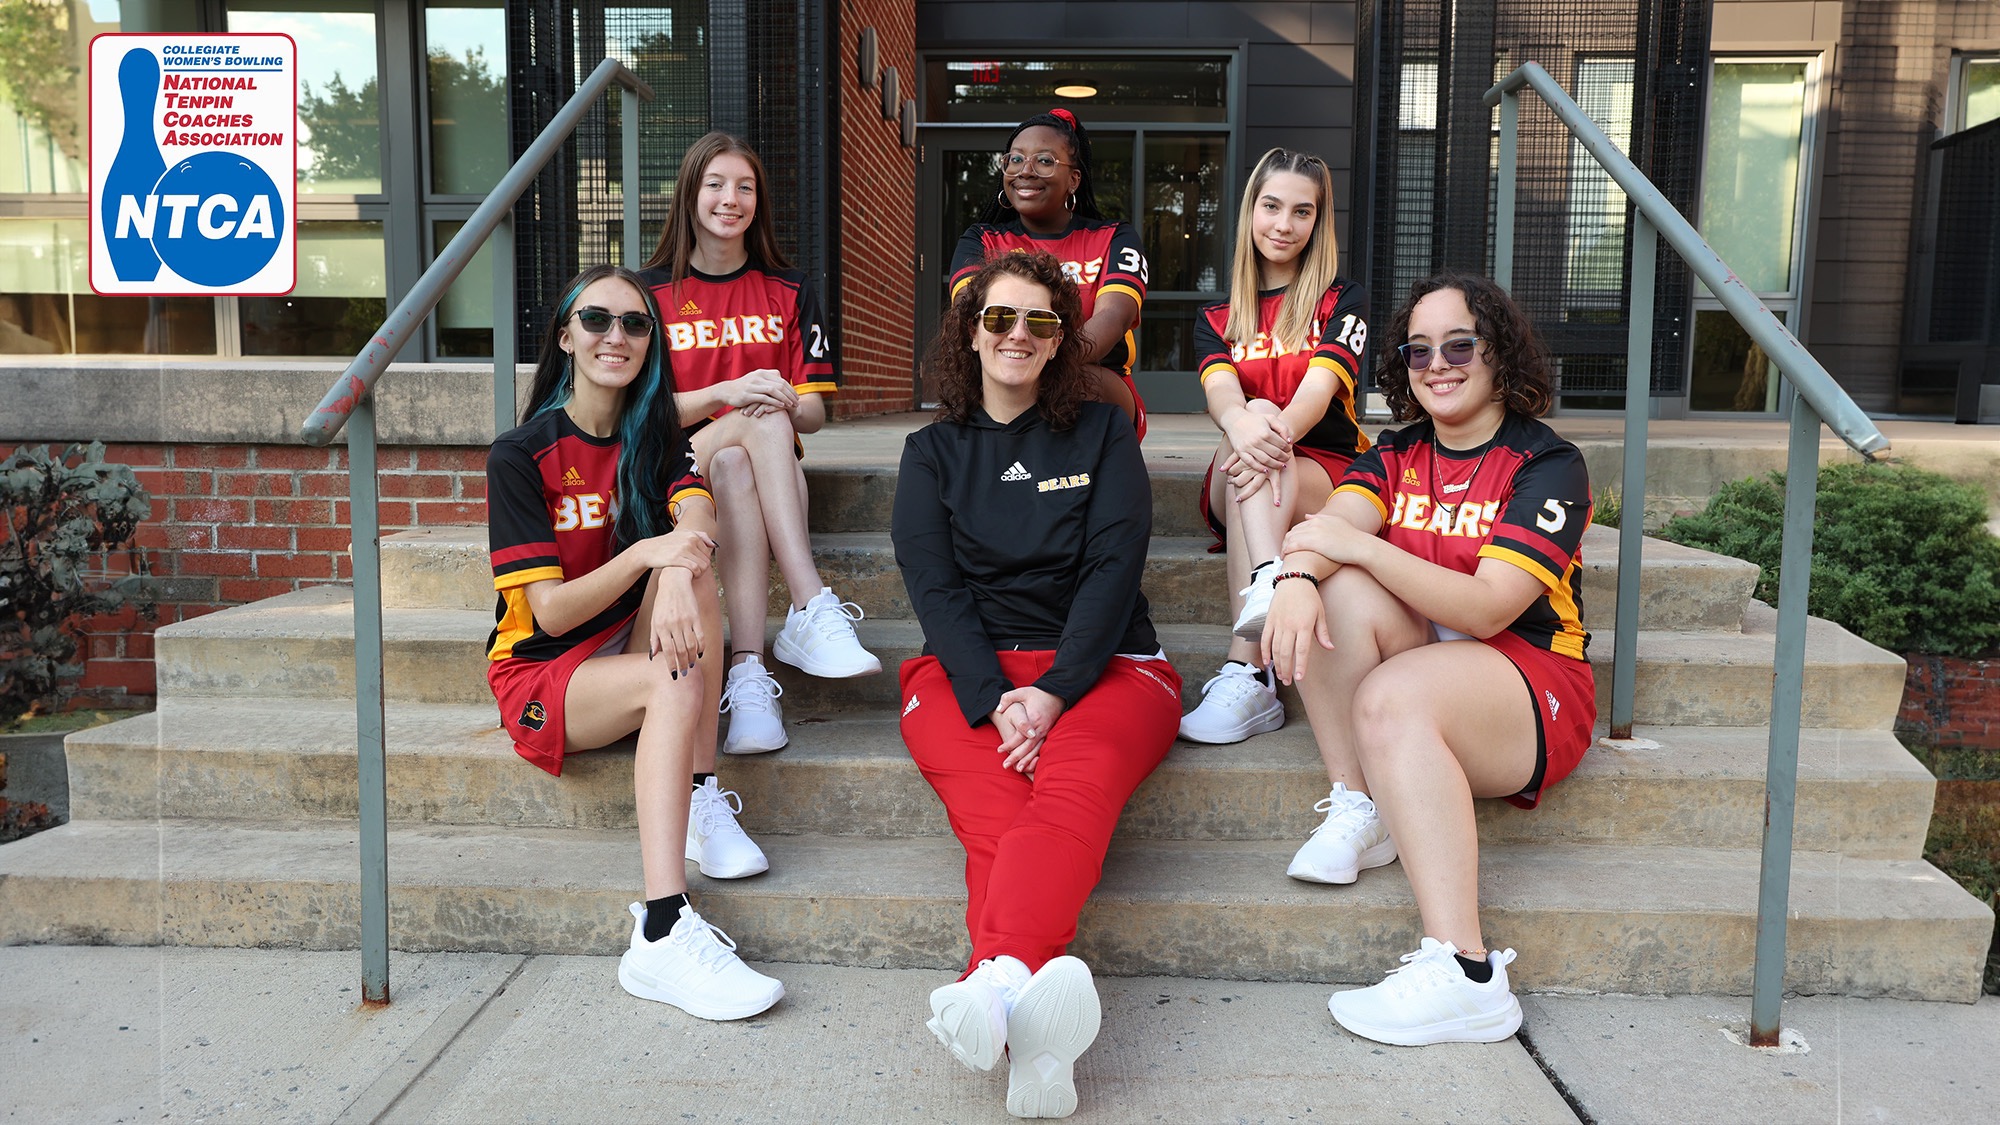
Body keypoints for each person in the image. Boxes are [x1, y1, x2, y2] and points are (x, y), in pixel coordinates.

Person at [1260, 271, 1594, 1046]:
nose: (1436, 363)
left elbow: (1486, 606)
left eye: (1458, 345)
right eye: (1418, 351)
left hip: (1530, 681)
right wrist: (1301, 574)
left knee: (1390, 691)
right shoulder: (1400, 448)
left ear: (1498, 353)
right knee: (1338, 599)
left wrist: (1346, 547)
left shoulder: (1549, 464)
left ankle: (1469, 972)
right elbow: (1331, 524)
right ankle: (1363, 804)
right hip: (1433, 666)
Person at [894, 251, 1181, 1117]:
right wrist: (994, 696)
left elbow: (1111, 570)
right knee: (1000, 820)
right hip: (966, 672)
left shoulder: (1101, 433)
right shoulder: (930, 452)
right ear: (970, 334)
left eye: (1041, 322)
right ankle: (1035, 1046)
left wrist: (1053, 690)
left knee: (1068, 789)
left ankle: (993, 978)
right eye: (999, 319)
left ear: (1062, 341)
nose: (1018, 335)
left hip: (1109, 668)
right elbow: (935, 589)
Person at [485, 264, 782, 1021]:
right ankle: (660, 927)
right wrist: (652, 555)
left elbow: (698, 519)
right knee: (669, 673)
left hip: (622, 636)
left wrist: (679, 566)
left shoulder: (655, 437)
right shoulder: (520, 456)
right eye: (596, 320)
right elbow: (548, 614)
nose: (616, 335)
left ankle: (701, 795)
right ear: (565, 337)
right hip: (542, 676)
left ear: (651, 342)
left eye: (635, 323)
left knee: (696, 575)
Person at [638, 132, 881, 758]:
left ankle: (748, 676)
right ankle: (809, 602)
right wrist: (733, 390)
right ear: (690, 193)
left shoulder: (791, 290)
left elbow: (817, 414)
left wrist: (784, 401)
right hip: (676, 471)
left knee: (746, 453)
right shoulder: (647, 296)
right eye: (716, 184)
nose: (731, 199)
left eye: (745, 187)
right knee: (749, 424)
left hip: (759, 470)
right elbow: (638, 414)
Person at [1178, 148, 1372, 745]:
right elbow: (1223, 400)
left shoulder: (1343, 302)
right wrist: (1249, 422)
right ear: (1250, 211)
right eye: (1271, 206)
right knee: (1254, 421)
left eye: (1302, 211)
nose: (1284, 224)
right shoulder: (1217, 316)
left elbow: (1316, 397)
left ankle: (1248, 669)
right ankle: (1268, 577)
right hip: (1239, 471)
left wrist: (1264, 429)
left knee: (1265, 435)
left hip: (1324, 474)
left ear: (1319, 222)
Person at [949, 108, 1150, 440]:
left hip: (1096, 386)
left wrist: (1041, 370)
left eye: (1044, 161)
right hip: (1005, 378)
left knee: (1078, 384)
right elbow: (969, 317)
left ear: (1073, 179)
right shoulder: (981, 239)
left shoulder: (1114, 237)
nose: (1025, 172)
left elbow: (1113, 317)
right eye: (1015, 160)